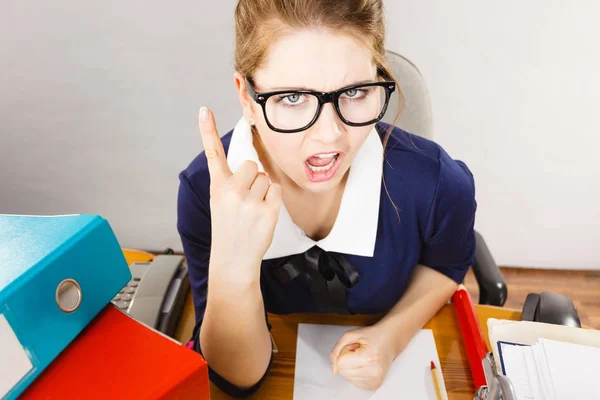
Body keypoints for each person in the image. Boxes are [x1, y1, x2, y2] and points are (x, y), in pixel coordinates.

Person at [177, 0, 476, 397]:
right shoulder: (207, 194)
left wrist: (393, 334)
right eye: (292, 98)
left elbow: (447, 264)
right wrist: (233, 263)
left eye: (354, 91)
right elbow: (237, 378)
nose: (328, 135)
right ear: (247, 98)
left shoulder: (437, 183)